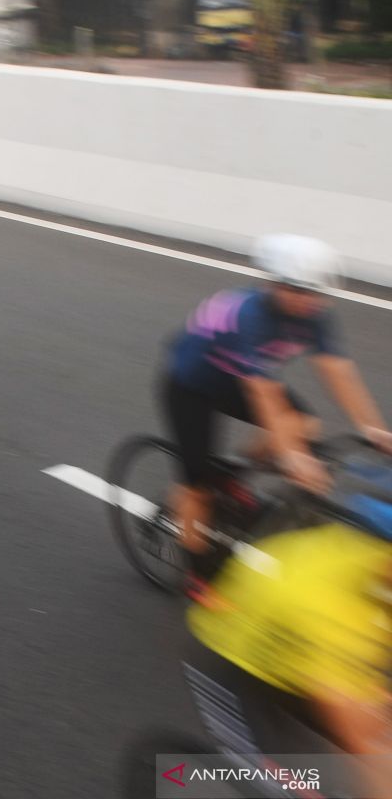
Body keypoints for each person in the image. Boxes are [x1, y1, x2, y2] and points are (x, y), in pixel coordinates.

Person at [160, 234, 392, 584]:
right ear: (273, 284)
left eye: (315, 293)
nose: (308, 302)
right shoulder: (250, 314)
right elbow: (263, 392)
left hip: (235, 379)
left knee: (304, 425)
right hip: (192, 386)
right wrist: (291, 456)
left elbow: (338, 370)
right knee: (198, 488)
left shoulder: (316, 314)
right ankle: (196, 575)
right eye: (297, 291)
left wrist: (371, 427)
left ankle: (235, 473)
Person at [186, 517, 392, 798]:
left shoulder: (376, 557)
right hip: (232, 659)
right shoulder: (334, 619)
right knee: (292, 785)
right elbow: (361, 738)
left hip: (297, 652)